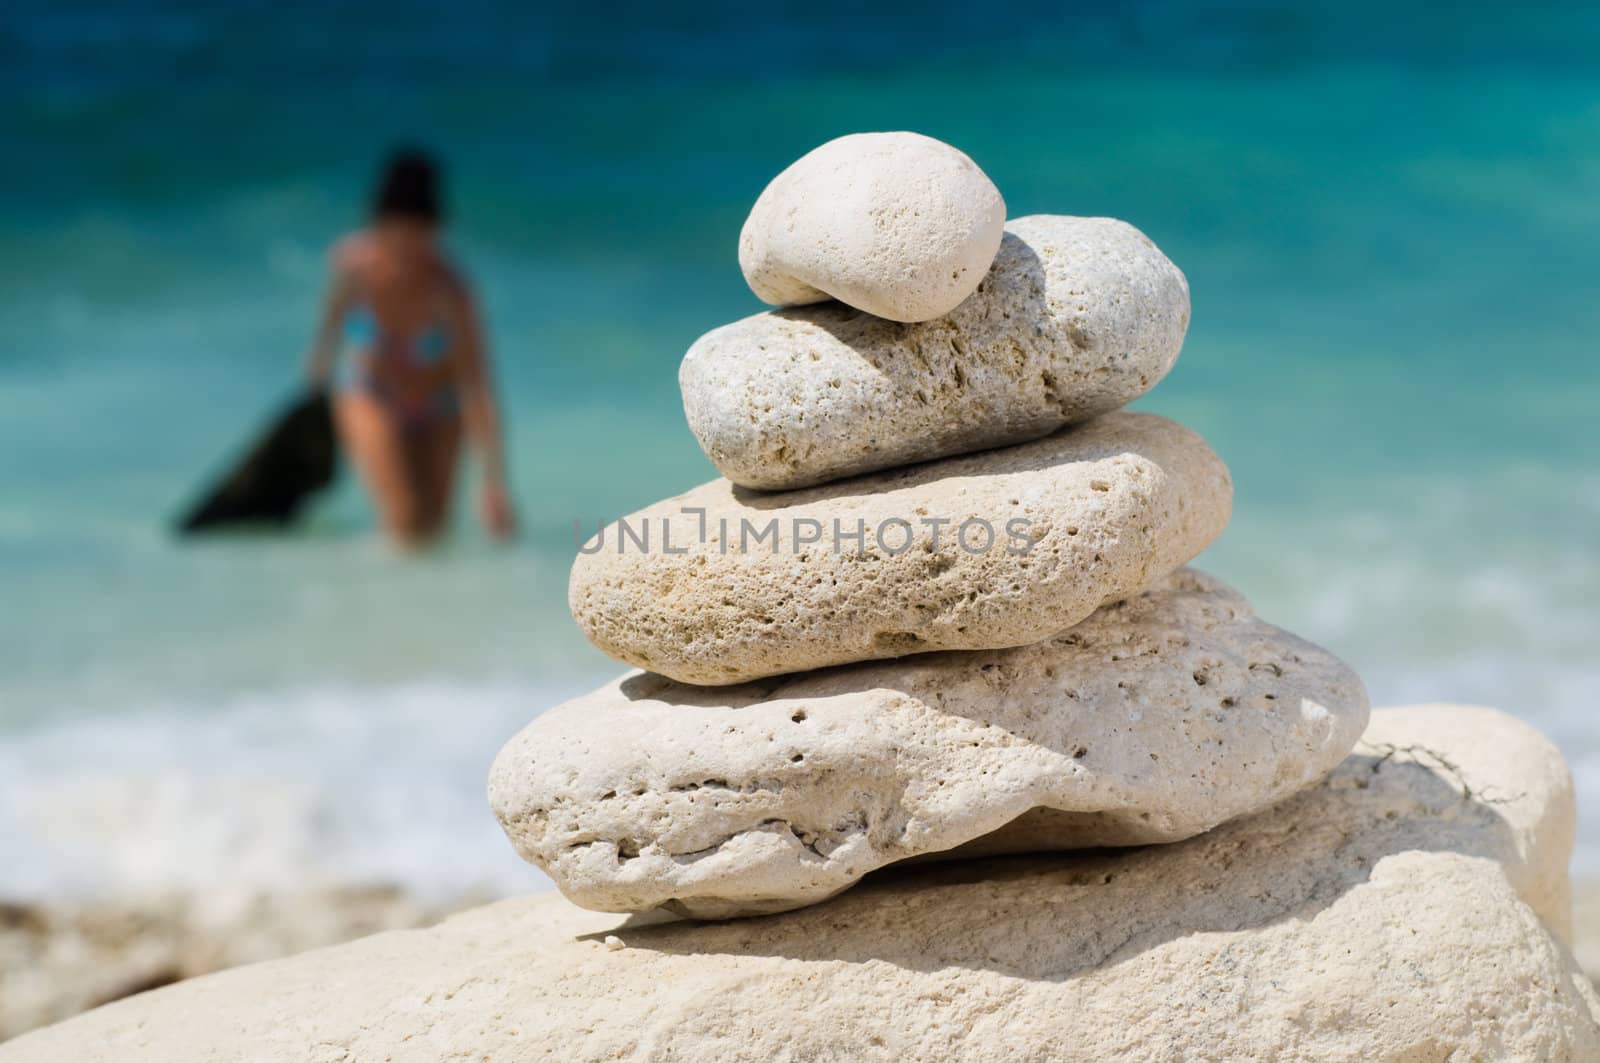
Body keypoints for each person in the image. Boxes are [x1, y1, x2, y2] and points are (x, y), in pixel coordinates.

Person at [305, 147, 515, 545]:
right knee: (403, 518)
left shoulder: (449, 289)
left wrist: (493, 482)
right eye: (397, 231)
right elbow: (327, 337)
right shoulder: (355, 269)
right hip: (371, 395)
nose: (407, 246)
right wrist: (314, 397)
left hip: (441, 405)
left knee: (433, 529)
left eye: (419, 233)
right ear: (380, 223)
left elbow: (476, 384)